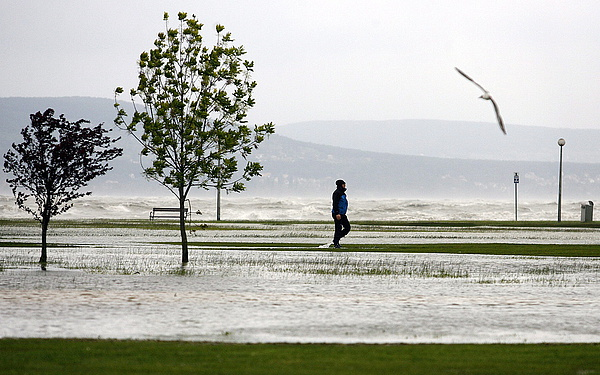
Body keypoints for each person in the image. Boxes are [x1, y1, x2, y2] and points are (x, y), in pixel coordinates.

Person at [331, 179, 350, 248]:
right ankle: (336, 243)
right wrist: (337, 213)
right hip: (337, 214)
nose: (345, 186)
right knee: (338, 228)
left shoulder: (343, 193)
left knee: (347, 227)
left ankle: (336, 239)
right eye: (343, 184)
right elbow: (335, 204)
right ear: (340, 185)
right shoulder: (337, 193)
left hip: (342, 214)